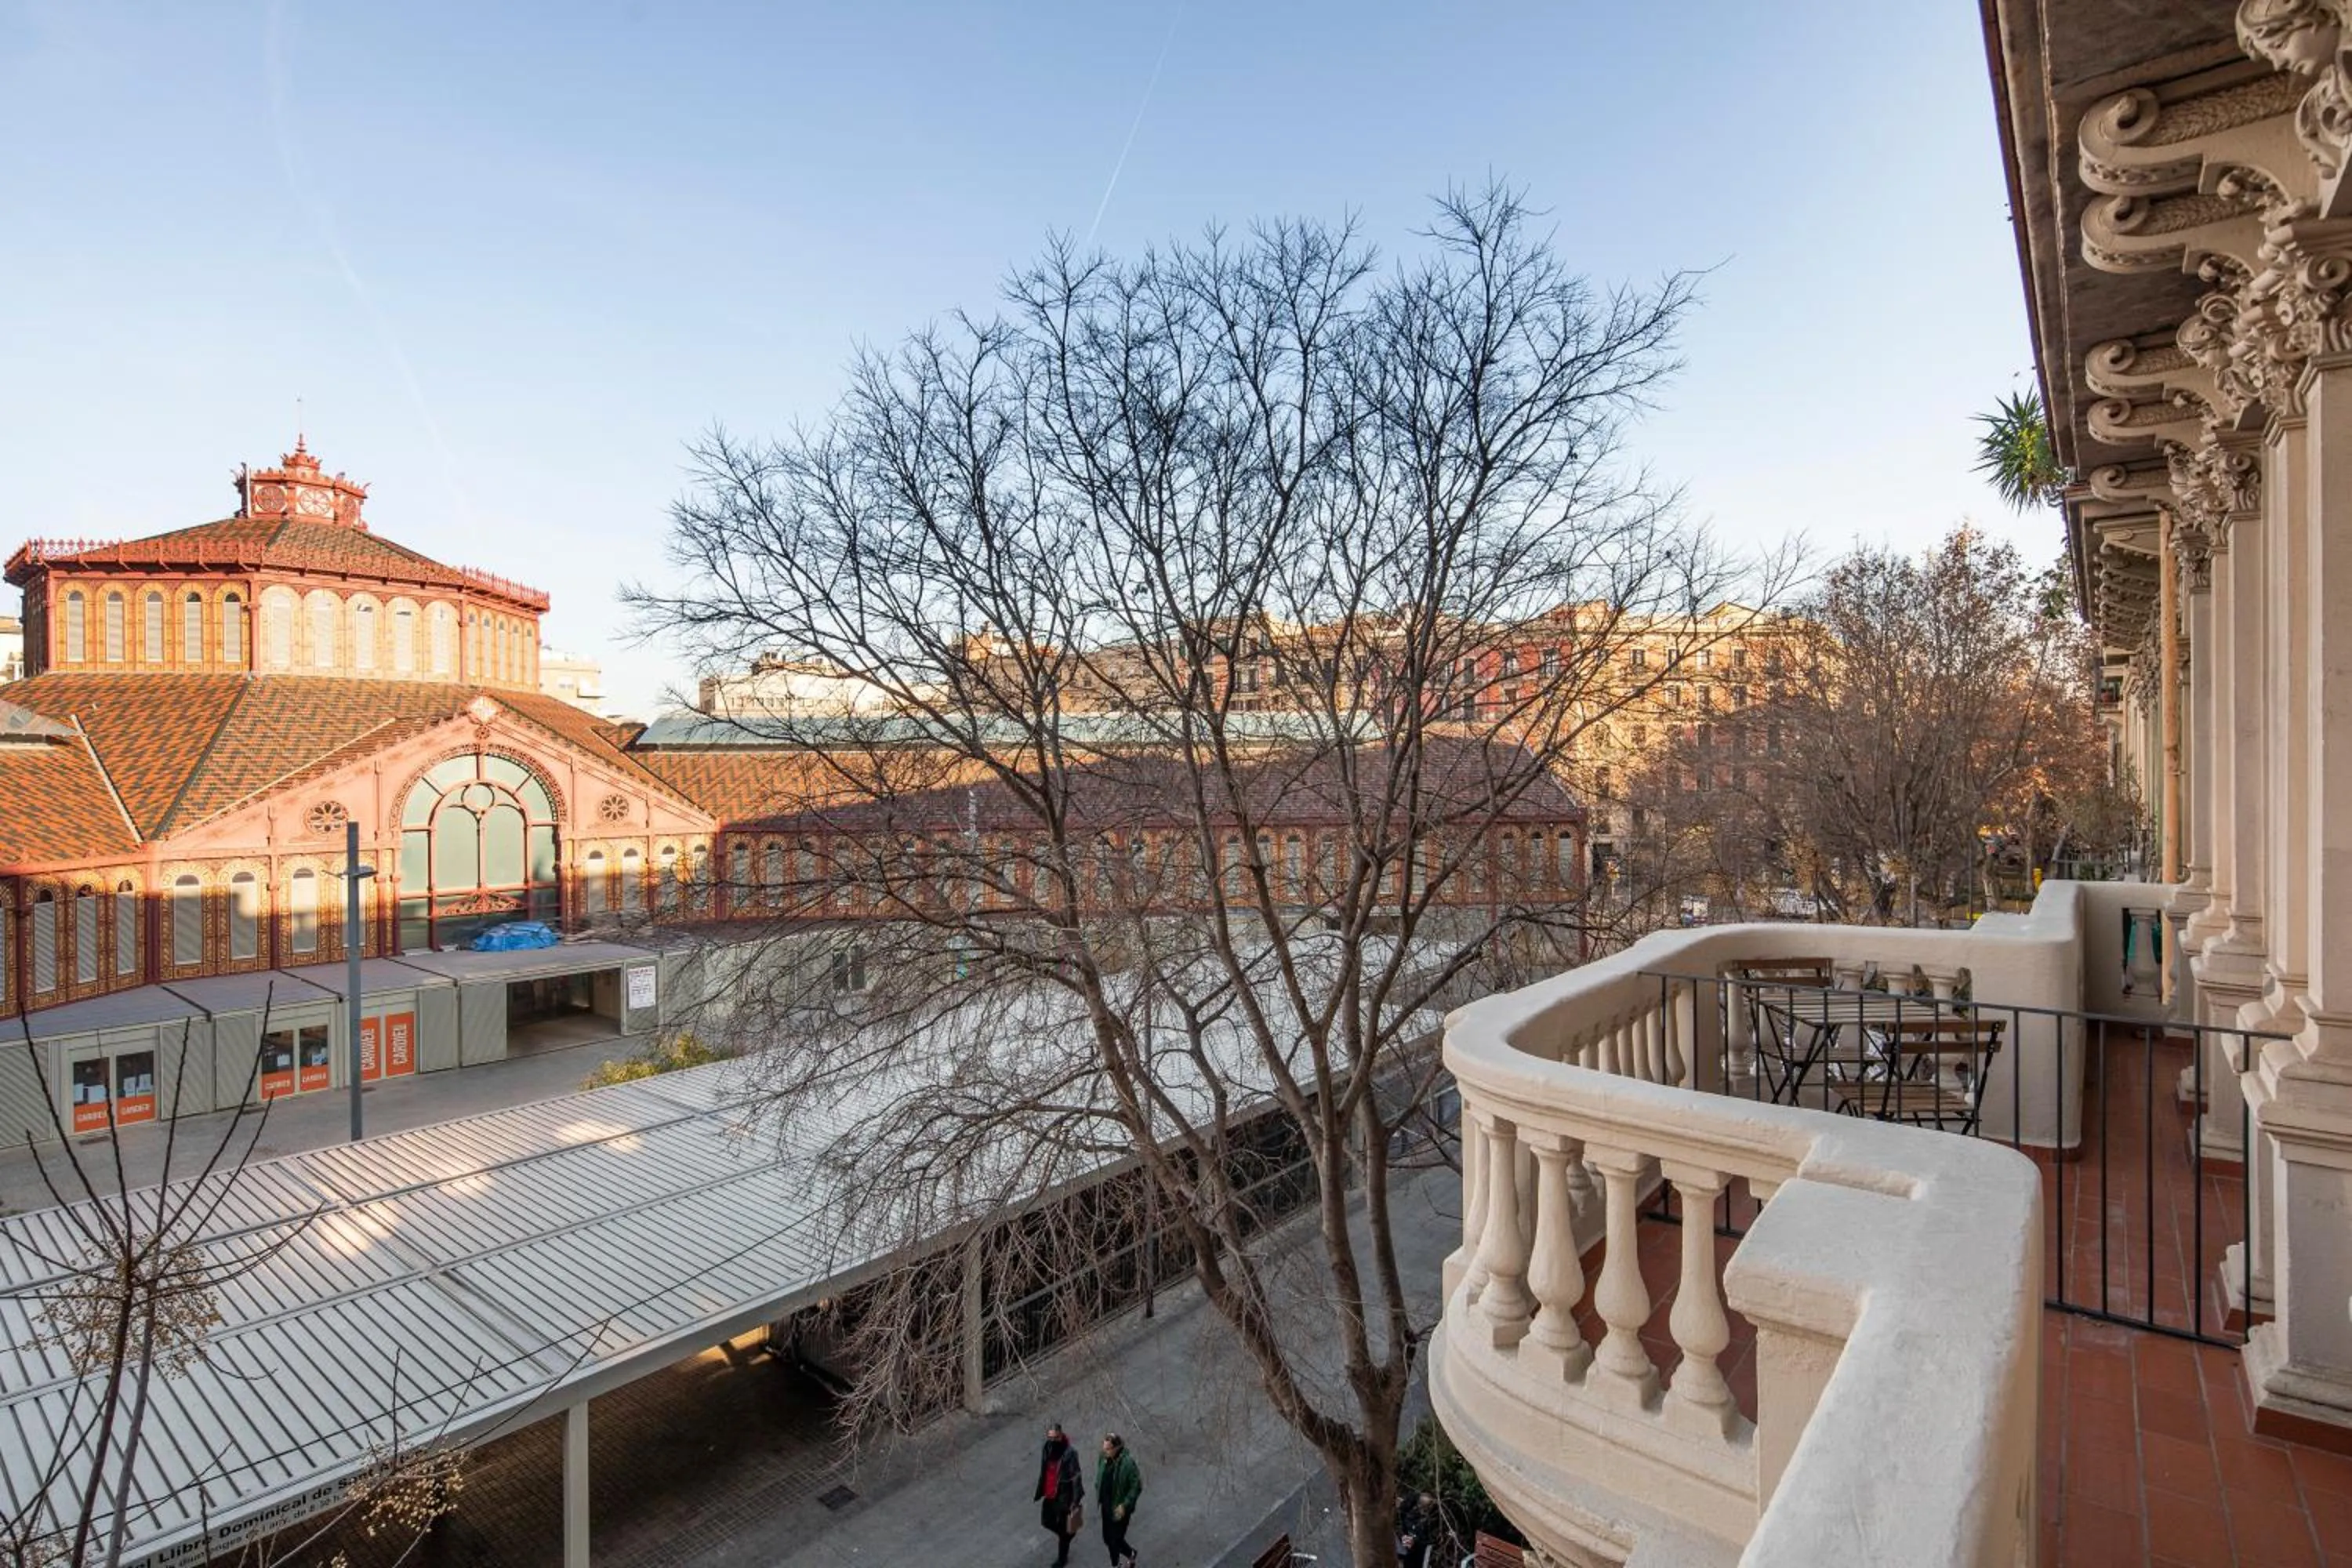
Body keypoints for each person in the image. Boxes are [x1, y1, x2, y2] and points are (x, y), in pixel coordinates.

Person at [1035, 1423, 1085, 1567]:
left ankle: (1062, 1559)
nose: (1053, 1440)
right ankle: (1066, 1535)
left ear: (1061, 1435)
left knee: (1064, 1528)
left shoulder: (1070, 1453)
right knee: (1046, 1522)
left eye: (1056, 1437)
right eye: (1050, 1437)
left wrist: (1075, 1501)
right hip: (1049, 1494)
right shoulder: (1047, 1448)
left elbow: (1076, 1477)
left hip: (1064, 1497)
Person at [1095, 1432, 1142, 1567]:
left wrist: (1125, 1505)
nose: (1105, 1451)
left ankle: (1116, 1565)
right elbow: (1100, 1474)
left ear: (1117, 1448)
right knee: (1107, 1539)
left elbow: (1136, 1486)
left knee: (1115, 1540)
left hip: (1119, 1509)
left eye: (1108, 1449)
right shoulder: (1103, 1457)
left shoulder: (1127, 1464)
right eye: (1104, 1448)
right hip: (1106, 1506)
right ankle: (1131, 1553)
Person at [1396, 1491, 1437, 1568]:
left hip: (1422, 1550)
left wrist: (1415, 1540)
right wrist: (1404, 1537)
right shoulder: (1408, 1514)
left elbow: (1432, 1538)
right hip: (1409, 1550)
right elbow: (1400, 1527)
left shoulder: (1432, 1519)